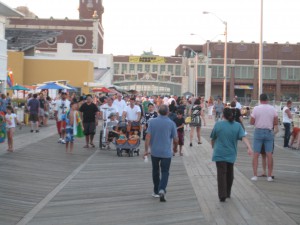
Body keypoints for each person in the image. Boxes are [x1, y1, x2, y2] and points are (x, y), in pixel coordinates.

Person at [210, 108, 253, 202]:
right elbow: (244, 137)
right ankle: (227, 193)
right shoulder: (237, 125)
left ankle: (222, 195)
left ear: (223, 115)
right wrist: (249, 147)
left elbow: (213, 138)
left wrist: (213, 146)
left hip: (219, 153)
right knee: (230, 174)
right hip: (231, 154)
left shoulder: (218, 124)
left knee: (221, 174)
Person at [144, 105, 178, 202]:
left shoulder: (152, 122)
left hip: (154, 151)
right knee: (165, 172)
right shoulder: (171, 124)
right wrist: (175, 149)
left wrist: (146, 150)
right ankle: (162, 189)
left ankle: (156, 191)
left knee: (155, 171)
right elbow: (175, 139)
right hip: (166, 152)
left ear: (158, 112)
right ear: (168, 112)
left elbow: (147, 137)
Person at [250, 93, 278, 182]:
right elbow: (276, 122)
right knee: (269, 154)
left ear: (260, 100)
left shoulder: (256, 108)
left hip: (258, 131)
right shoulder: (272, 109)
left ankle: (255, 175)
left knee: (256, 154)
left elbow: (251, 122)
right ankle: (269, 176)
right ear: (267, 99)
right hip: (269, 132)